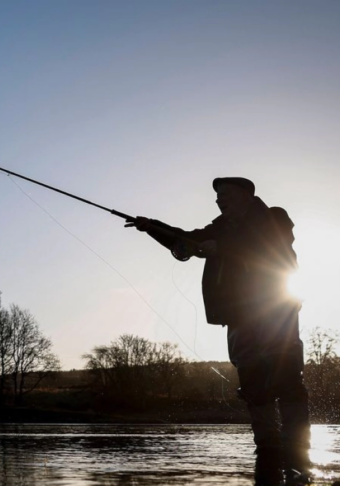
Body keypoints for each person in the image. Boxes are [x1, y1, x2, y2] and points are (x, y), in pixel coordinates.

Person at [127, 177, 310, 486]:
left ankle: (297, 447)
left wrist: (222, 247)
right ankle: (267, 447)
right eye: (216, 196)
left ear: (247, 196)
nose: (218, 200)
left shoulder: (274, 217)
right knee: (252, 379)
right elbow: (184, 240)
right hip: (239, 316)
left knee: (286, 376)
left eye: (224, 194)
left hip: (276, 308)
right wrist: (151, 227)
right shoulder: (218, 228)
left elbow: (266, 245)